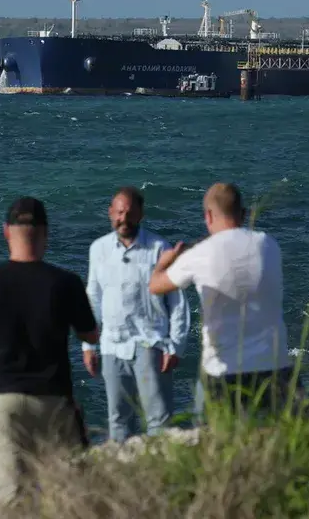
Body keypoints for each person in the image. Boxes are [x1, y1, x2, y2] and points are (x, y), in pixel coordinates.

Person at [0, 197, 98, 516]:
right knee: (69, 494)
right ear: (45, 233)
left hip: (4, 402)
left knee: (12, 496)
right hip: (53, 400)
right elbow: (90, 335)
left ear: (6, 232)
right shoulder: (65, 282)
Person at [149, 182, 296, 421]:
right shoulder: (269, 244)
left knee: (215, 436)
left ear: (208, 215)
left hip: (224, 371)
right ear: (243, 213)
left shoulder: (199, 254)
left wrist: (166, 261)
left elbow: (155, 286)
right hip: (275, 365)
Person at [82, 187, 190, 443]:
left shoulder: (159, 248)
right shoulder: (98, 249)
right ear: (110, 213)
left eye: (130, 214)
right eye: (119, 213)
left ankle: (163, 467)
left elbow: (177, 301)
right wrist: (89, 345)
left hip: (150, 343)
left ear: (141, 214)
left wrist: (176, 346)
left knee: (159, 420)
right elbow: (93, 298)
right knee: (118, 420)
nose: (124, 219)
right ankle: (123, 468)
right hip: (111, 345)